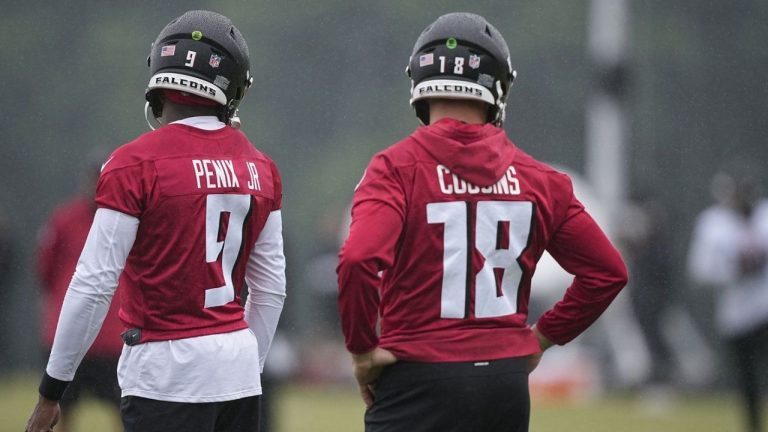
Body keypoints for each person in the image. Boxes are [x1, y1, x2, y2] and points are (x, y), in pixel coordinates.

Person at [337, 12, 628, 432]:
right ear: (498, 87)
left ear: (420, 82)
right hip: (503, 383)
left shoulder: (395, 168)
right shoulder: (540, 179)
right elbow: (608, 272)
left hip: (418, 374)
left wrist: (362, 349)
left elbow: (358, 259)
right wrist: (541, 337)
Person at [26, 10, 286, 432]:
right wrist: (244, 369)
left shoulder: (135, 162)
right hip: (237, 368)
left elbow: (93, 283)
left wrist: (52, 389)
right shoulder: (261, 167)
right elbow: (271, 289)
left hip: (165, 373)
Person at [36, 149, 123, 432]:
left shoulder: (125, 218)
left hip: (112, 336)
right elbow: (45, 269)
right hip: (70, 332)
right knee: (60, 411)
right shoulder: (63, 220)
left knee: (125, 412)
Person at [687, 167, 768, 432]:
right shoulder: (713, 224)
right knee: (747, 380)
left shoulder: (765, 218)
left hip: (764, 307)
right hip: (737, 315)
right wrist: (733, 269)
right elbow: (700, 269)